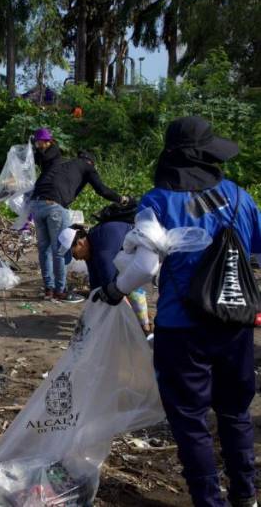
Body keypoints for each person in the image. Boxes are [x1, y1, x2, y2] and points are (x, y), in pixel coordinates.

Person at [94, 116, 260, 507]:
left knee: (191, 420)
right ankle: (246, 495)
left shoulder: (158, 200)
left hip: (181, 328)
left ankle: (208, 501)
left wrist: (114, 291)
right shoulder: (241, 196)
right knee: (235, 412)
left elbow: (145, 267)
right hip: (235, 323)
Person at [30, 128, 126, 302]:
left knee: (44, 249)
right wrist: (122, 199)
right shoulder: (86, 166)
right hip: (54, 205)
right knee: (60, 248)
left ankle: (49, 290)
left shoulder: (63, 163)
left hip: (36, 204)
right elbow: (101, 190)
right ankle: (60, 291)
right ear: (91, 162)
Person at [57, 203, 151, 333]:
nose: (76, 259)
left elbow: (114, 287)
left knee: (129, 284)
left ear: (80, 243)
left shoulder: (102, 251)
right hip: (125, 253)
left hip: (143, 247)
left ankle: (144, 327)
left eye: (73, 254)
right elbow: (96, 285)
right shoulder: (90, 250)